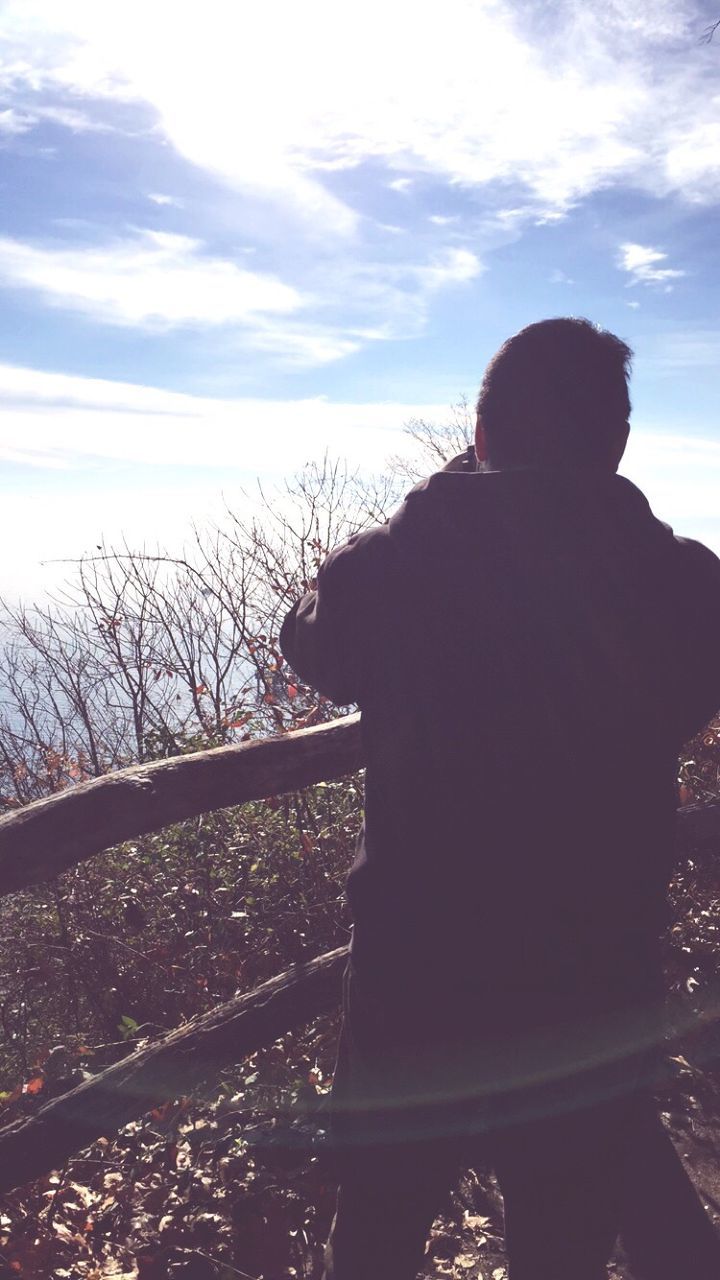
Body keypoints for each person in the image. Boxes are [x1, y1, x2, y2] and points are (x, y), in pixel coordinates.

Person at [280, 318, 720, 1279]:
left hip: (415, 965)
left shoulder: (398, 567)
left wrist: (434, 498)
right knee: (563, 1237)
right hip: (595, 971)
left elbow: (311, 645)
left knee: (379, 1231)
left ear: (483, 435)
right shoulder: (685, 585)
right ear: (617, 443)